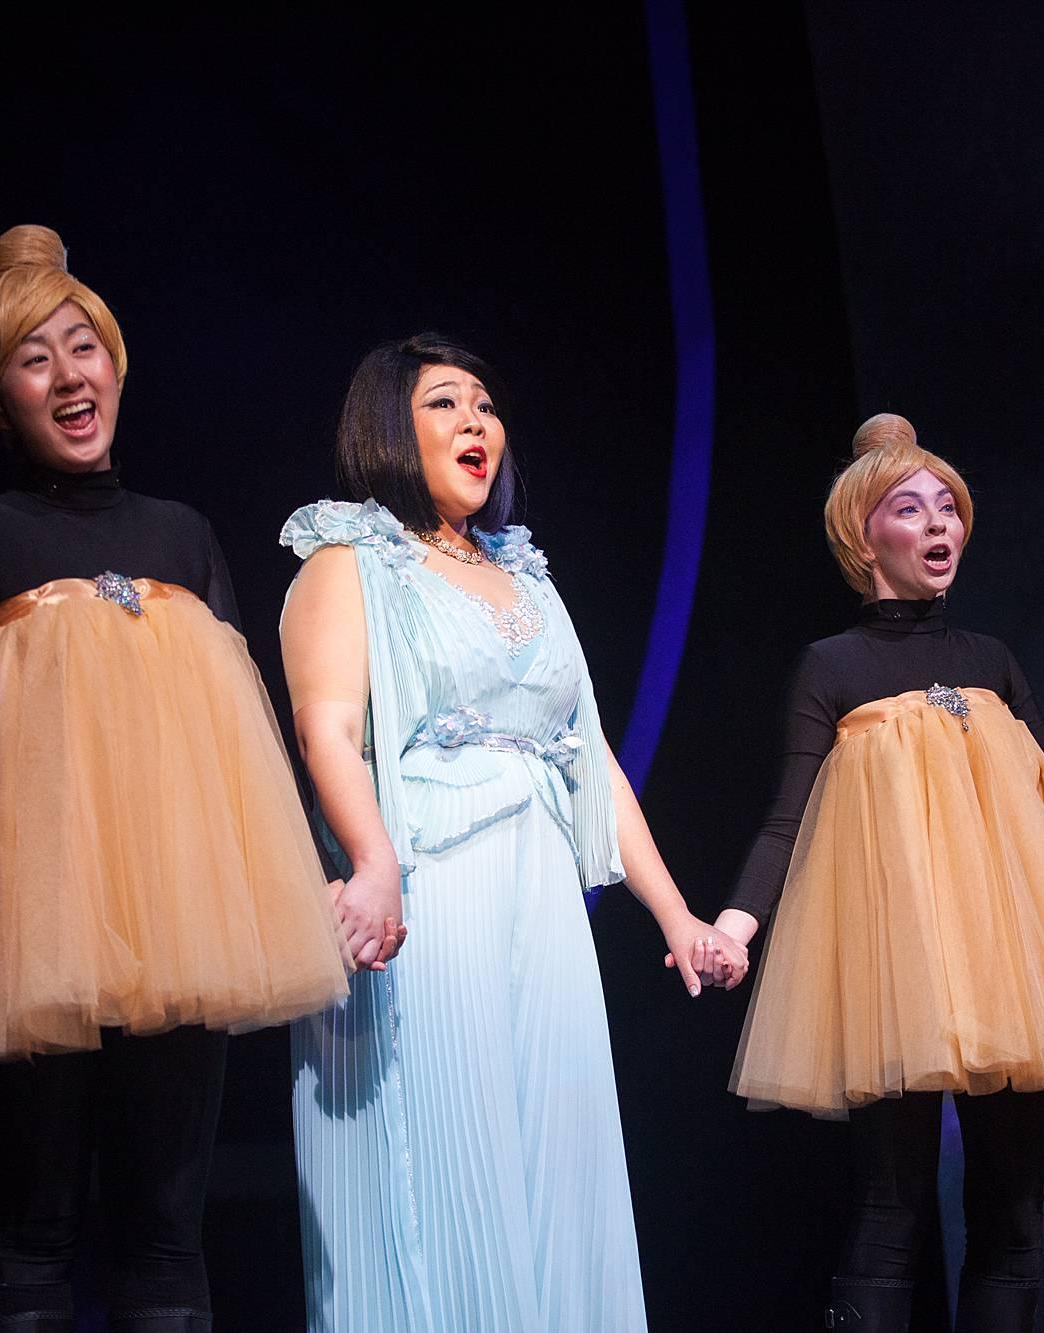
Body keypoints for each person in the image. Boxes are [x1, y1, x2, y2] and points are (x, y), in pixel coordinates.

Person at [0, 225, 356, 1332]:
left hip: (183, 911)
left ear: (116, 363)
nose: (70, 376)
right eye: (35, 359)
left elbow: (243, 729)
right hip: (39, 912)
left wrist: (294, 873)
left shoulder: (184, 532)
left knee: (168, 1230)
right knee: (34, 1225)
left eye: (84, 347)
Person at [710, 415, 1044, 1333]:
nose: (939, 523)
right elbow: (787, 817)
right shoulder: (833, 667)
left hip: (1010, 957)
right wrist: (735, 924)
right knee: (889, 1215)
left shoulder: (990, 660)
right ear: (862, 535)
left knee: (1013, 1217)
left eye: (949, 506)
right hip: (896, 958)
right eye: (910, 508)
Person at [278, 334, 743, 1333]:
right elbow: (328, 729)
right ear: (387, 428)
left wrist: (674, 912)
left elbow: (591, 756)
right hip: (426, 883)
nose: (475, 422)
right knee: (452, 1150)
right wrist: (371, 863)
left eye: (484, 405)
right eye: (445, 403)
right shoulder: (347, 559)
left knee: (554, 1153)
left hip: (537, 894)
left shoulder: (524, 572)